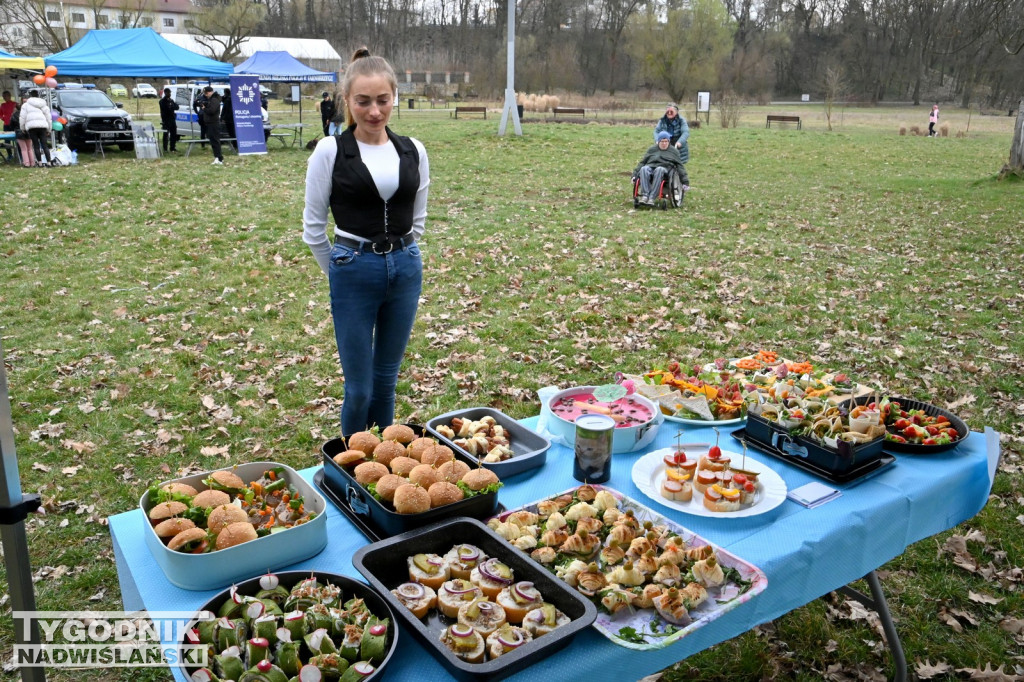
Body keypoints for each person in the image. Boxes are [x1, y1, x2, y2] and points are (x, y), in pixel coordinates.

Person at [302, 47, 430, 437]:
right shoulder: (330, 151)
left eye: (382, 100)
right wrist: (344, 269)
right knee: (359, 390)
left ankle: (383, 467)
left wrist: (401, 257)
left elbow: (418, 220)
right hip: (353, 269)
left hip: (405, 268)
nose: (374, 111)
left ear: (393, 98)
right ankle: (349, 470)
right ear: (347, 101)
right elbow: (313, 228)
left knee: (386, 383)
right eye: (363, 101)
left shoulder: (413, 149)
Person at [633, 131, 688, 206]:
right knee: (644, 168)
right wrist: (634, 175)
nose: (664, 143)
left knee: (659, 169)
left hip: (665, 170)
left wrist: (685, 181)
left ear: (668, 141)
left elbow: (680, 166)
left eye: (666, 141)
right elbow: (642, 162)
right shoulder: (652, 149)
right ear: (658, 141)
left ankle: (652, 197)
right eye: (662, 141)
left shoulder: (673, 151)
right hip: (651, 167)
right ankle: (645, 196)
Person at [20, 89, 53, 167]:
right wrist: (49, 129)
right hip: (42, 126)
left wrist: (22, 128)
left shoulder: (26, 105)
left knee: (36, 145)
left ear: (30, 95)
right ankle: (49, 162)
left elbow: (22, 117)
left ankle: (40, 163)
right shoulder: (43, 105)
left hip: (32, 127)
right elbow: (48, 117)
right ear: (38, 95)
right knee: (45, 145)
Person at [201, 86, 224, 165]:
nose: (206, 95)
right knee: (213, 141)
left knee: (215, 141)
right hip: (211, 123)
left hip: (213, 123)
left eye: (206, 93)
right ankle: (217, 157)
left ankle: (219, 158)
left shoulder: (214, 100)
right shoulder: (212, 99)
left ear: (210, 92)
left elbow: (212, 111)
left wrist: (204, 108)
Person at [10, 100, 35, 167]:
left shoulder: (14, 115)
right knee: (30, 148)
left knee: (23, 149)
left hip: (19, 133)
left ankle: (26, 163)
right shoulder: (28, 114)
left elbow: (11, 125)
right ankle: (32, 163)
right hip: (28, 132)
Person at [159, 88, 179, 153]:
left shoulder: (171, 100)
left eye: (170, 93)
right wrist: (170, 106)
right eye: (168, 93)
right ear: (165, 93)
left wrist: (171, 105)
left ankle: (172, 147)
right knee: (166, 134)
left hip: (172, 119)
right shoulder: (162, 101)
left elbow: (177, 107)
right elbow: (166, 109)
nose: (169, 94)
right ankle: (165, 148)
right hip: (166, 120)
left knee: (173, 134)